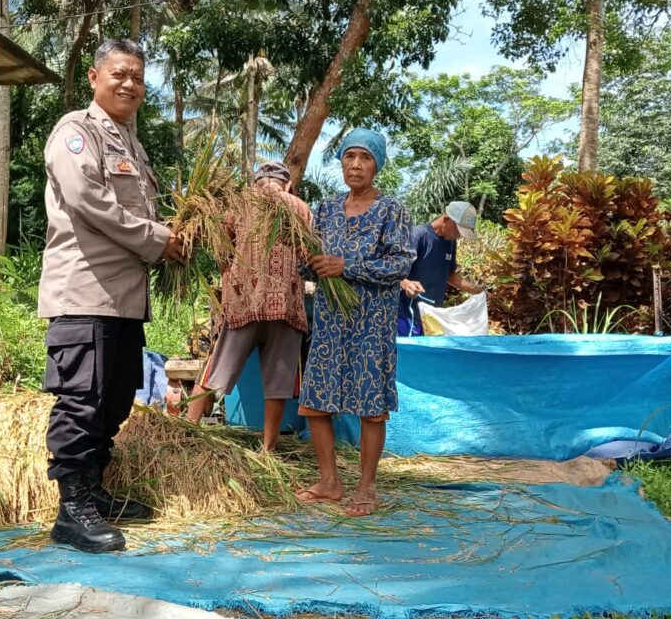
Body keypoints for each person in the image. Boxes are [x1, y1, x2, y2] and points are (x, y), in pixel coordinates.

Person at [38, 38, 186, 554]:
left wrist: (172, 237)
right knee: (82, 399)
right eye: (119, 73)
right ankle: (71, 510)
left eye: (138, 77)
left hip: (123, 297)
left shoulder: (132, 144)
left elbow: (141, 213)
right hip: (85, 291)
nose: (129, 84)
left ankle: (95, 493)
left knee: (117, 393)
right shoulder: (77, 133)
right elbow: (88, 201)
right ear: (95, 78)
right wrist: (158, 239)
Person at [295, 128, 415, 516]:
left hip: (371, 322)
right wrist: (308, 260)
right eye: (350, 157)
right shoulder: (326, 209)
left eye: (365, 158)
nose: (356, 165)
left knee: (370, 405)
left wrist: (348, 267)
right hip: (330, 320)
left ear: (377, 165)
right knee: (316, 401)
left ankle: (366, 487)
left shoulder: (391, 210)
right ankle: (329, 482)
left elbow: (399, 264)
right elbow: (308, 260)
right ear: (341, 162)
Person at [186, 161, 312, 451]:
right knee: (278, 385)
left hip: (244, 305)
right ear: (287, 184)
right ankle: (267, 450)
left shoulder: (238, 205)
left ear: (257, 183)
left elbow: (221, 250)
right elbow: (309, 254)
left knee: (215, 370)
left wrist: (232, 279)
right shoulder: (300, 207)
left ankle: (187, 431)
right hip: (286, 308)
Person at [397, 201, 484, 336]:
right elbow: (392, 271)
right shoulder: (418, 236)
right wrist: (407, 284)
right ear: (446, 219)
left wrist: (476, 290)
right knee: (408, 356)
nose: (459, 236)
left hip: (431, 318)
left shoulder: (450, 242)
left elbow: (449, 274)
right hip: (407, 316)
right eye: (457, 230)